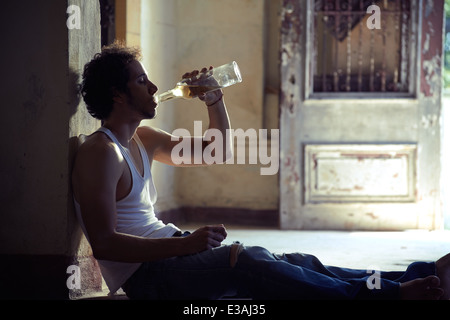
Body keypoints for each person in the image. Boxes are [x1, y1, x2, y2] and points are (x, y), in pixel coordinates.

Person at [72, 41, 450, 300]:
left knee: (294, 263)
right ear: (118, 94)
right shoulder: (100, 152)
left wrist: (213, 99)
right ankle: (394, 296)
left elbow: (216, 152)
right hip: (148, 277)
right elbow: (105, 243)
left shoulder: (144, 138)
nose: (154, 86)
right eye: (141, 81)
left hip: (171, 251)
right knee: (247, 260)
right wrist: (185, 244)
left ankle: (415, 275)